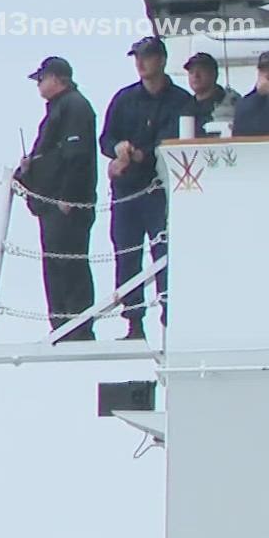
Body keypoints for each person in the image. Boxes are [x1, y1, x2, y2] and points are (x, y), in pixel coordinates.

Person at [100, 36, 191, 342]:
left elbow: (176, 141)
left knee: (164, 253)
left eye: (147, 56)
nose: (140, 62)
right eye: (137, 57)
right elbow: (106, 139)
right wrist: (118, 149)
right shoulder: (124, 99)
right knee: (126, 254)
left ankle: (172, 317)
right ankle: (134, 321)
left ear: (161, 60)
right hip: (126, 191)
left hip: (159, 190)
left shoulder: (180, 101)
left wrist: (137, 154)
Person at [17, 56, 97, 342]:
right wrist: (24, 173)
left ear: (57, 78)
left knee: (69, 263)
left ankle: (77, 324)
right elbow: (47, 154)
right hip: (51, 205)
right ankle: (63, 324)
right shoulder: (58, 110)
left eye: (42, 78)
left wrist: (68, 197)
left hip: (65, 207)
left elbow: (76, 157)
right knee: (56, 264)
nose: (39, 84)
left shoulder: (74, 106)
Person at [182, 52, 239, 137]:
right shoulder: (184, 106)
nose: (196, 76)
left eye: (201, 70)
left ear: (214, 74)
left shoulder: (231, 103)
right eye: (191, 72)